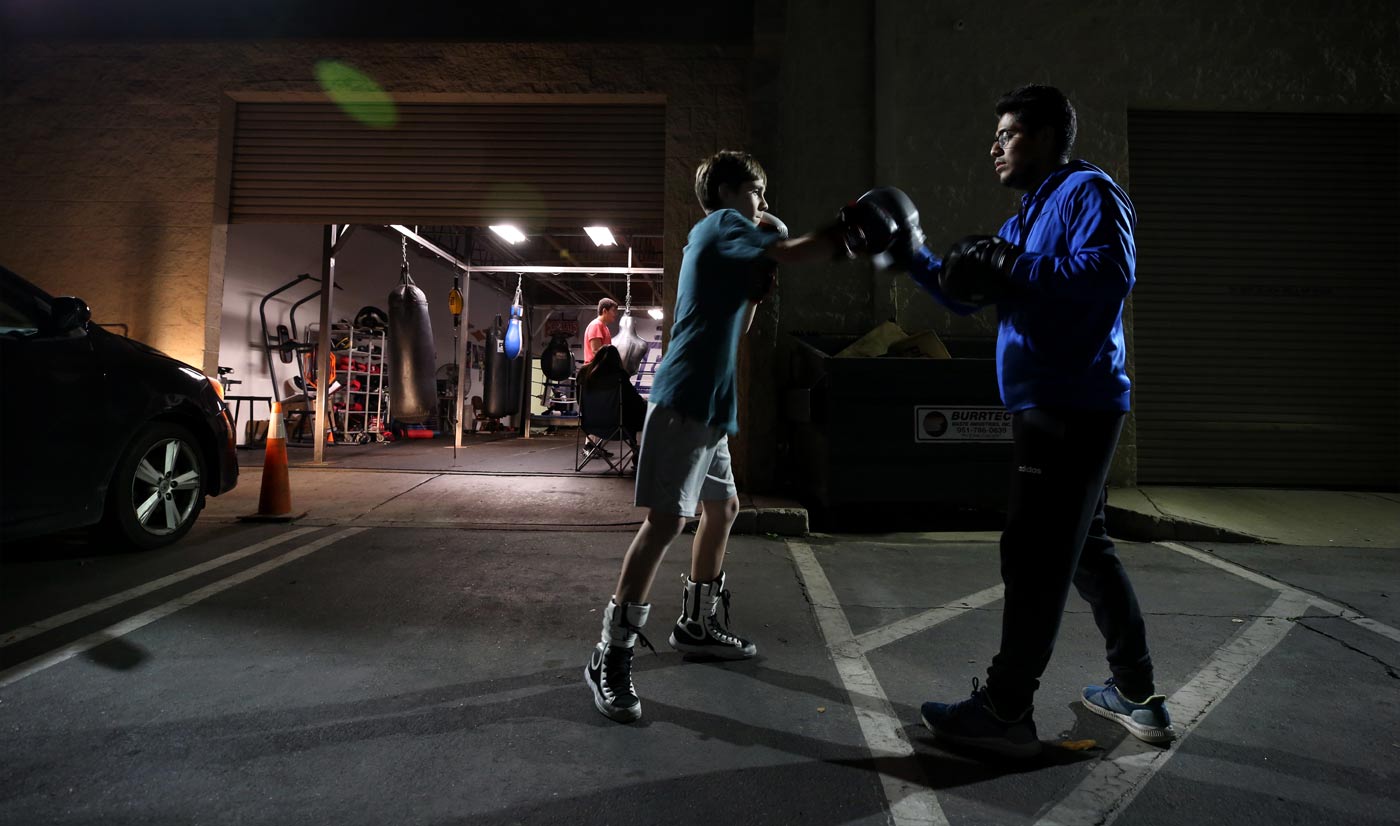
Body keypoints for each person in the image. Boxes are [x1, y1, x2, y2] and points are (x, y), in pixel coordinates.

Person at [860, 85, 1174, 757]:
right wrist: (906, 248)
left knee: (1032, 555)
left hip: (1072, 404)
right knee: (1086, 552)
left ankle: (1005, 709)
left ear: (1047, 137)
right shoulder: (1022, 218)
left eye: (1008, 133)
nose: (994, 146)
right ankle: (1138, 693)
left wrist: (1017, 265)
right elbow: (967, 290)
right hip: (1050, 403)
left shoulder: (1089, 192)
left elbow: (1109, 272)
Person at [584, 149, 859, 723]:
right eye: (759, 192)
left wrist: (757, 291)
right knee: (665, 522)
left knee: (724, 507)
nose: (765, 204)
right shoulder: (723, 224)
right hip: (684, 396)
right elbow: (790, 246)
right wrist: (846, 233)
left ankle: (697, 624)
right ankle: (610, 653)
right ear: (735, 190)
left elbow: (742, 326)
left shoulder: (725, 245)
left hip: (710, 402)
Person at [584, 298, 618, 365]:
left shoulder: (604, 327)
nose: (615, 314)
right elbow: (596, 351)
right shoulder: (596, 325)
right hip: (594, 370)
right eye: (613, 311)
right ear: (604, 311)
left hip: (600, 369)